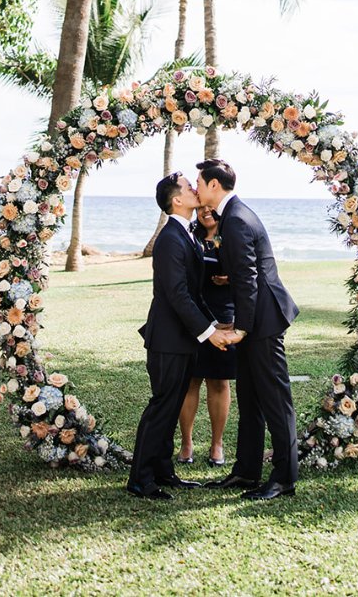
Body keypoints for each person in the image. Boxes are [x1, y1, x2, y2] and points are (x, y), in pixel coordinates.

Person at [197, 158, 300, 502]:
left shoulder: (237, 220)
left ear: (214, 186)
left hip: (264, 322)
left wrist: (241, 327)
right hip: (255, 318)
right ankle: (246, 470)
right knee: (250, 398)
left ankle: (284, 477)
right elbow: (242, 271)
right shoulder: (234, 215)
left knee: (275, 400)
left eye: (199, 182)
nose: (196, 189)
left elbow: (249, 279)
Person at [127, 173, 232, 501]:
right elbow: (176, 294)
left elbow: (194, 292)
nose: (194, 189)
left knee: (171, 407)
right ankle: (140, 479)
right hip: (168, 340)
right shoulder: (171, 237)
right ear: (177, 200)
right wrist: (208, 333)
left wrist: (216, 325)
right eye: (189, 187)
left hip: (181, 340)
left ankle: (164, 471)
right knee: (161, 407)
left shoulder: (185, 234)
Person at [177, 202, 234, 467]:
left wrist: (230, 278)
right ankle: (186, 443)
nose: (206, 212)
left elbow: (249, 272)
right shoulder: (192, 238)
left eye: (211, 207)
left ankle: (217, 444)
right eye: (201, 208)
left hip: (224, 317)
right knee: (190, 381)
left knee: (219, 382)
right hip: (194, 317)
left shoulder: (231, 236)